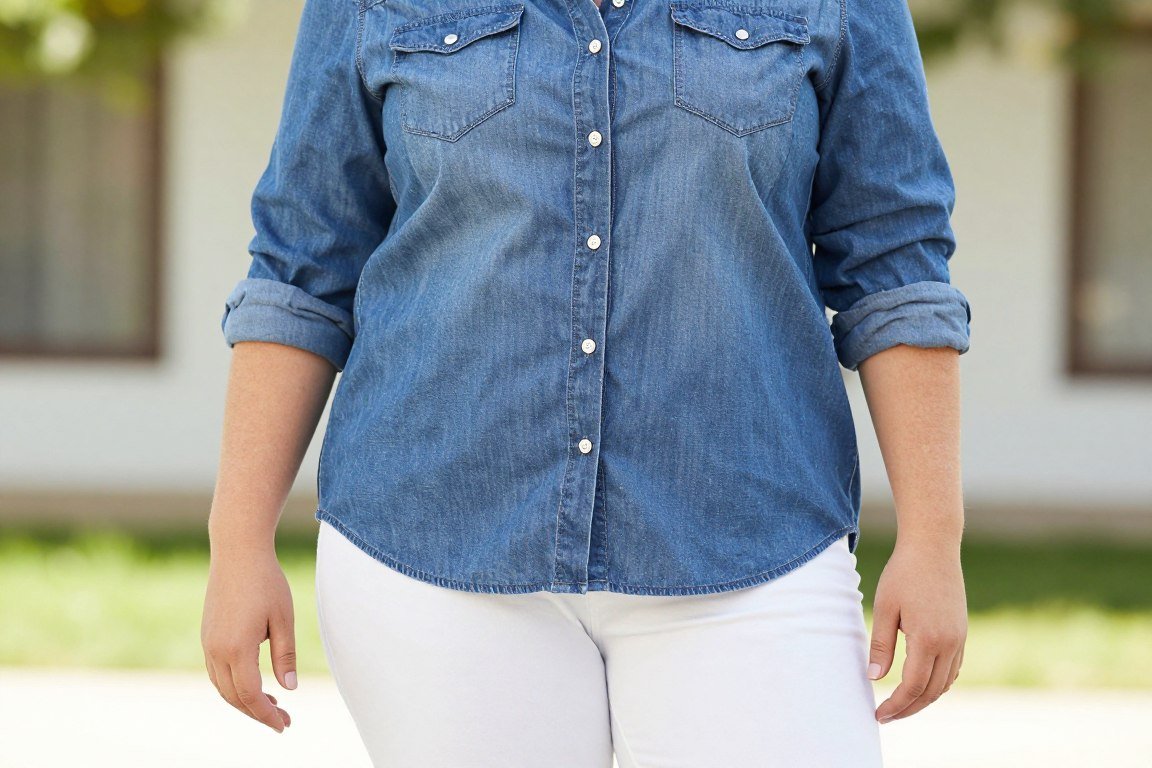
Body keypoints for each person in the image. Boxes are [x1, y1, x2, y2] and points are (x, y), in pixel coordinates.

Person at [201, 0, 971, 763]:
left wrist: (933, 538)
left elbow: (894, 260)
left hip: (749, 535)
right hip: (434, 541)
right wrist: (238, 543)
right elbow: (302, 265)